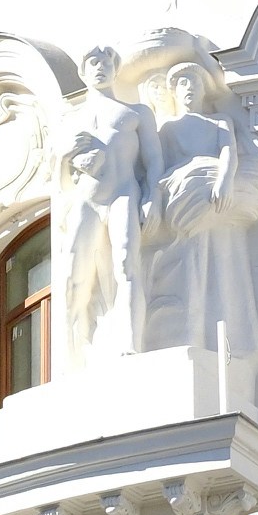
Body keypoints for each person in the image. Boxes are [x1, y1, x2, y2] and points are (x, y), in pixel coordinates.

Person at [141, 52, 258, 407]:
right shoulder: (167, 129)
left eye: (194, 82)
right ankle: (184, 337)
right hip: (184, 209)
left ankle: (229, 346)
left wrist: (223, 182)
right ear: (174, 91)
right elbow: (158, 170)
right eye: (182, 83)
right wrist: (157, 200)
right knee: (186, 271)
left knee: (225, 270)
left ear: (203, 89)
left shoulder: (219, 122)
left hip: (218, 205)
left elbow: (230, 154)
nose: (188, 89)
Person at [52, 46, 162, 369]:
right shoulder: (72, 120)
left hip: (123, 193)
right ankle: (72, 356)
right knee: (74, 275)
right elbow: (60, 181)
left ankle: (130, 342)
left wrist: (152, 195)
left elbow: (154, 160)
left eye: (105, 62)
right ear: (83, 73)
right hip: (87, 199)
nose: (99, 68)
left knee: (127, 263)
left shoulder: (136, 113)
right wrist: (66, 156)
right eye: (92, 63)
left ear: (115, 68)